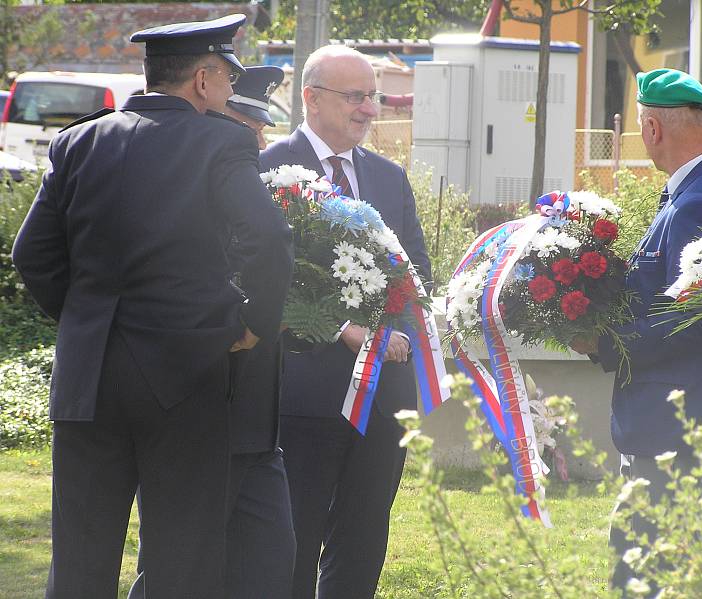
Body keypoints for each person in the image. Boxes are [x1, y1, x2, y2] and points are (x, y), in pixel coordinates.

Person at [11, 14, 294, 599]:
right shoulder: (223, 139)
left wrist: (88, 320)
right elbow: (267, 239)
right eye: (225, 77)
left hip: (89, 378)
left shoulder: (78, 140)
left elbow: (32, 254)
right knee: (182, 561)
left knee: (80, 561)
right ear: (203, 80)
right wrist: (250, 325)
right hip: (185, 373)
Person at [569, 68, 702, 596]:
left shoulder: (700, 200)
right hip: (677, 425)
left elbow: (696, 322)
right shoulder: (697, 190)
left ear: (652, 129)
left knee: (648, 580)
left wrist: (602, 342)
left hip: (680, 430)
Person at [259, 45, 431, 599]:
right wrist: (337, 328)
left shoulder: (389, 177)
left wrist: (401, 331)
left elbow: (415, 274)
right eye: (354, 96)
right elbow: (258, 277)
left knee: (362, 541)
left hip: (383, 397)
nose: (368, 110)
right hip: (303, 395)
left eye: (372, 97)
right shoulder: (269, 169)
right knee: (294, 541)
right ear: (311, 98)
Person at [126, 64, 296, 599]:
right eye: (247, 125)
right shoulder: (179, 186)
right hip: (198, 408)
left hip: (257, 424)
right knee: (178, 573)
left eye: (261, 129)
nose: (259, 141)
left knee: (271, 563)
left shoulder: (263, 188)